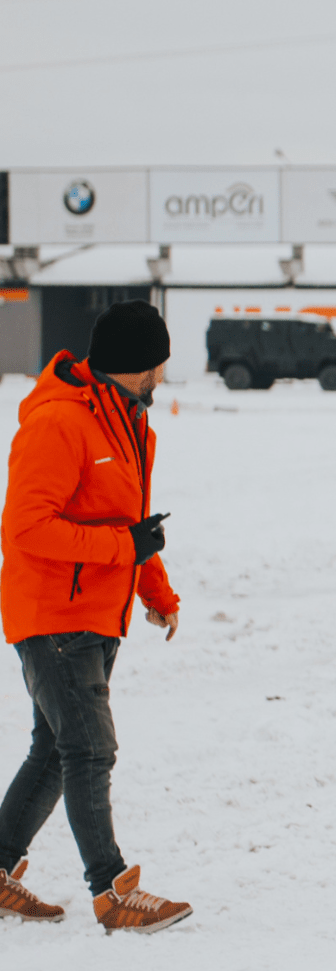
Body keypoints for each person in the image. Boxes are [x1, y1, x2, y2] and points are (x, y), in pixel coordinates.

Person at [0, 301, 190, 933]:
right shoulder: (58, 423)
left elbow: (131, 528)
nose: (161, 376)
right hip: (52, 614)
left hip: (97, 614)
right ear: (133, 365)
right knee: (89, 748)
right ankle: (111, 891)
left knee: (56, 752)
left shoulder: (131, 425)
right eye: (156, 365)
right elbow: (26, 528)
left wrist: (156, 592)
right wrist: (121, 549)